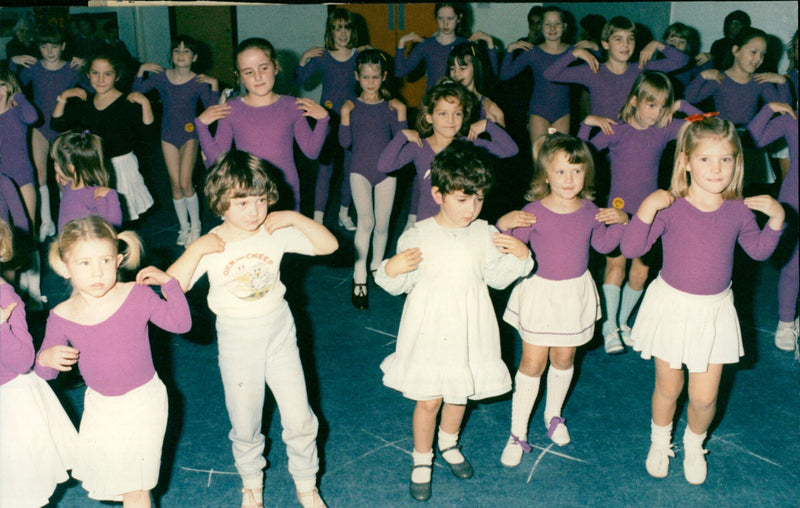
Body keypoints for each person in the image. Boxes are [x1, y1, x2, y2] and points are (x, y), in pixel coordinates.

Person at [166, 150, 338, 508]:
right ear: (219, 203)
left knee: (300, 417)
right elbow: (172, 286)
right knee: (245, 423)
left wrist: (293, 217)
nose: (254, 211)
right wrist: (197, 248)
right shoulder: (213, 243)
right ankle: (251, 485)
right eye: (241, 202)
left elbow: (329, 245)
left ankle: (306, 485)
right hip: (237, 341)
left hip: (280, 334)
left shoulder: (273, 230)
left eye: (260, 200)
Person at [620, 116, 784, 484]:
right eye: (706, 159)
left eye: (726, 159)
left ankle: (694, 444)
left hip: (714, 312)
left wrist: (776, 220)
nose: (716, 168)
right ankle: (660, 441)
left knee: (705, 396)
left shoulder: (739, 209)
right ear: (687, 161)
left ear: (737, 163)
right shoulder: (670, 206)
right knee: (668, 386)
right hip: (672, 307)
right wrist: (647, 208)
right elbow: (632, 248)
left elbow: (758, 252)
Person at [375, 139, 533, 502]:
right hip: (430, 328)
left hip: (469, 327)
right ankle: (421, 457)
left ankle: (448, 443)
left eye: (478, 199)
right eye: (463, 199)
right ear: (437, 194)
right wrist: (390, 268)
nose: (472, 208)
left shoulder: (485, 232)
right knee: (429, 399)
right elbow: (400, 283)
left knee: (459, 393)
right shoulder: (418, 235)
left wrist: (521, 256)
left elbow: (496, 278)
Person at [35, 216, 191, 507]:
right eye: (84, 263)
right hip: (101, 408)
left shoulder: (137, 294)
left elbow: (180, 324)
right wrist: (45, 357)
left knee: (136, 488)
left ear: (119, 260)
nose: (97, 272)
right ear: (65, 267)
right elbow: (45, 373)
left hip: (144, 402)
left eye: (105, 260)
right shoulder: (61, 315)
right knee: (121, 485)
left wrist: (169, 284)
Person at [496, 132, 627, 466]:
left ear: (587, 174)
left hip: (574, 295)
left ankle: (553, 416)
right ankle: (517, 432)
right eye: (560, 172)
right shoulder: (533, 211)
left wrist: (623, 222)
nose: (569, 179)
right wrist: (503, 225)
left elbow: (603, 246)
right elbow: (508, 254)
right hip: (540, 294)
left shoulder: (590, 211)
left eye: (577, 171)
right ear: (545, 175)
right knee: (532, 363)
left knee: (565, 359)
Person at [579, 71, 702, 353]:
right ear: (634, 101)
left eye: (663, 106)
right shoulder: (616, 130)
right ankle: (609, 325)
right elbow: (579, 154)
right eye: (651, 105)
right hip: (618, 208)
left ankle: (622, 323)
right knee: (616, 267)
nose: (657, 112)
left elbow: (704, 124)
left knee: (640, 273)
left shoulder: (664, 129)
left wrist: (681, 106)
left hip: (648, 213)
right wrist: (587, 123)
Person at [195, 38, 330, 212]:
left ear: (276, 66)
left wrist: (323, 120)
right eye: (248, 72)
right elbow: (217, 160)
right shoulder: (231, 110)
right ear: (239, 76)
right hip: (249, 195)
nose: (258, 77)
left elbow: (312, 152)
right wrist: (200, 126)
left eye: (264, 68)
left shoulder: (292, 106)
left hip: (286, 194)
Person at [0, 217, 78, 508]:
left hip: (11, 403)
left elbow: (22, 361)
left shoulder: (5, 298)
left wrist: (1, 330)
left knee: (22, 490)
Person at [377, 78, 517, 230]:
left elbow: (510, 150)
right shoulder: (419, 146)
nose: (451, 120)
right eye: (443, 113)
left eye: (457, 113)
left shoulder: (468, 144)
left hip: (462, 224)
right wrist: (401, 136)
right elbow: (384, 166)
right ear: (429, 117)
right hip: (428, 225)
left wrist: (488, 125)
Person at [133, 35, 220, 246]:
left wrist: (214, 84)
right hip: (168, 134)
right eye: (177, 51)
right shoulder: (162, 77)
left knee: (185, 182)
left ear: (195, 57)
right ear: (171, 55)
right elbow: (137, 91)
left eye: (186, 51)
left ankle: (196, 225)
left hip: (190, 134)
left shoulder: (198, 81)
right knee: (175, 184)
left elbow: (212, 108)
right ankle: (184, 227)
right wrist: (141, 70)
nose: (181, 55)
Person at [339, 49, 407, 310]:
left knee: (382, 224)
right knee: (365, 221)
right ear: (357, 76)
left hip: (387, 171)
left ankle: (377, 267)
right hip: (359, 170)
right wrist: (345, 115)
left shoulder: (391, 106)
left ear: (384, 77)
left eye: (375, 77)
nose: (370, 82)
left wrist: (401, 113)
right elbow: (345, 143)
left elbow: (401, 142)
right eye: (365, 77)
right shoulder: (352, 106)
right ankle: (359, 277)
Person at [51, 53, 155, 222]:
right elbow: (57, 125)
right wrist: (63, 97)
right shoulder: (85, 101)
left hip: (120, 166)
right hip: (91, 166)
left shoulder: (126, 102)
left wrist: (145, 104)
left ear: (117, 76)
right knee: (94, 216)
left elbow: (148, 135)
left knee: (119, 217)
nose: (100, 79)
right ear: (88, 74)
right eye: (95, 73)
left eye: (107, 74)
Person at [684, 27, 792, 185]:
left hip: (750, 143)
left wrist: (782, 82)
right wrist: (702, 76)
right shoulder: (720, 78)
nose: (758, 59)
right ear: (736, 50)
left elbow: (785, 109)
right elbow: (690, 98)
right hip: (722, 142)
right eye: (753, 52)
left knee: (745, 190)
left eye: (762, 54)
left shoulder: (759, 81)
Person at [11, 22, 86, 240]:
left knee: (64, 176)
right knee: (40, 175)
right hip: (39, 127)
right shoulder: (34, 67)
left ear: (63, 46)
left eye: (54, 46)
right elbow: (14, 85)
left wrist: (85, 64)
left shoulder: (72, 68)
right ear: (39, 48)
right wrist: (14, 62)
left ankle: (67, 220)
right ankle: (46, 222)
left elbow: (89, 88)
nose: (50, 52)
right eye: (45, 47)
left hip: (62, 128)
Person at [543, 16, 689, 123]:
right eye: (618, 39)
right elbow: (550, 74)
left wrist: (658, 44)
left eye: (630, 39)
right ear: (605, 44)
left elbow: (682, 61)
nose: (625, 44)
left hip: (632, 141)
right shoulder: (593, 70)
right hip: (602, 142)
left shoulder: (640, 68)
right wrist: (574, 54)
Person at [294, 7, 360, 230]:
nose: (342, 34)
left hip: (352, 120)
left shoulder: (358, 56)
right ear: (330, 32)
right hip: (327, 120)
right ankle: (318, 218)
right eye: (337, 29)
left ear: (353, 31)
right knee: (326, 169)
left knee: (350, 168)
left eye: (347, 29)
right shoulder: (323, 57)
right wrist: (304, 58)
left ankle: (344, 212)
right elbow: (301, 80)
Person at [748, 102, 798, 354]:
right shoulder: (792, 121)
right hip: (795, 204)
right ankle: (786, 322)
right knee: (793, 266)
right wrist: (768, 109)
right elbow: (753, 138)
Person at [500, 6, 575, 146]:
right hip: (538, 112)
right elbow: (505, 75)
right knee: (539, 159)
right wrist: (510, 50)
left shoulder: (573, 51)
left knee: (560, 159)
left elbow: (597, 68)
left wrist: (595, 49)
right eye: (547, 24)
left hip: (563, 113)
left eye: (557, 23)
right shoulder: (532, 52)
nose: (552, 28)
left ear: (564, 26)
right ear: (541, 27)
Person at [395, 3, 498, 93]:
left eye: (450, 18)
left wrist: (490, 43)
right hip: (434, 103)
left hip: (460, 102)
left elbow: (492, 73)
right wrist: (401, 43)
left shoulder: (465, 44)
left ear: (459, 18)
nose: (445, 23)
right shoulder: (426, 44)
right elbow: (400, 72)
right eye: (440, 18)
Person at [51, 130, 122, 230]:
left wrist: (110, 197)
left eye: (56, 162)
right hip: (67, 242)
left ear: (71, 168)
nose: (54, 165)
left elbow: (113, 225)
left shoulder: (96, 194)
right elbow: (66, 198)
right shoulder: (69, 185)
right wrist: (62, 175)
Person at [447, 41, 505, 126]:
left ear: (475, 68)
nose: (456, 73)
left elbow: (499, 138)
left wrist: (500, 118)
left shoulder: (487, 104)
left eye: (462, 68)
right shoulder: (445, 99)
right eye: (452, 69)